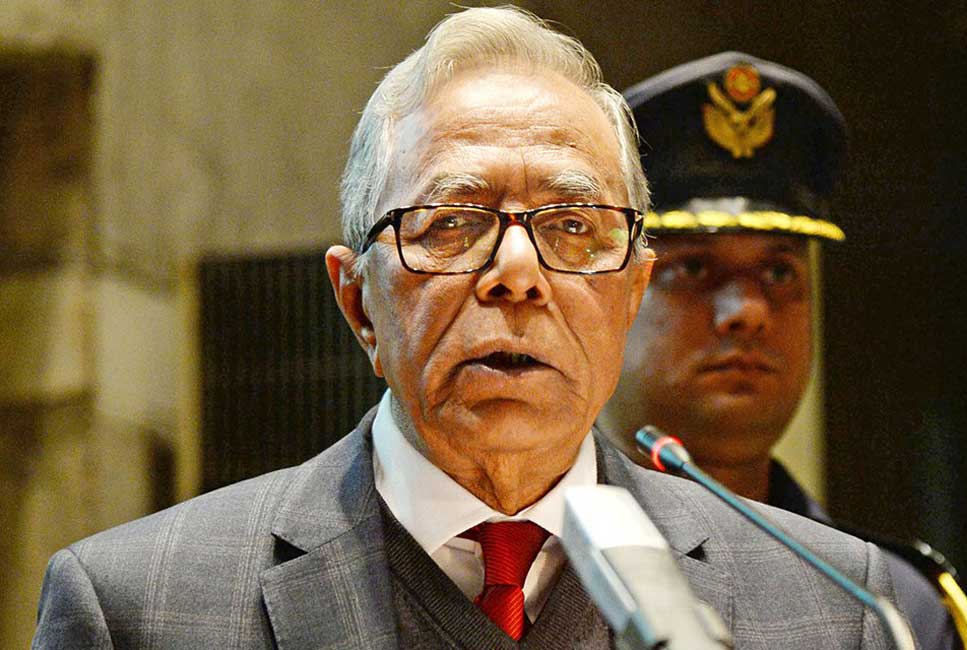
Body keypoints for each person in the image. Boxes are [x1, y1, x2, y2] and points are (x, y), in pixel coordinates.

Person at [34, 11, 901, 649]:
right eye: (451, 223)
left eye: (573, 225)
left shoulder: (827, 608)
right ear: (357, 302)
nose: (517, 272)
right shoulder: (139, 609)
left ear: (632, 291)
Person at [599, 52, 957, 649]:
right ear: (612, 292)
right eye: (695, 267)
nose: (748, 310)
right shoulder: (527, 565)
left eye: (780, 273)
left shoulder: (895, 606)